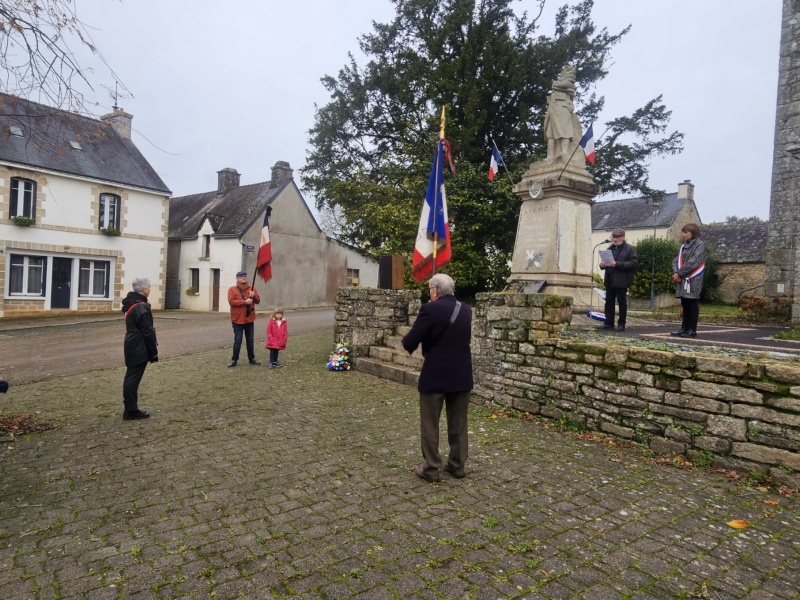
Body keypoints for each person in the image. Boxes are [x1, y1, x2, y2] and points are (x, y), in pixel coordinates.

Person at [402, 273, 473, 483]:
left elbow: (409, 342)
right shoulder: (466, 310)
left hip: (436, 374)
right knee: (458, 422)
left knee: (430, 423)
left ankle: (432, 469)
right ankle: (457, 465)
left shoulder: (430, 309)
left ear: (435, 290)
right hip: (461, 374)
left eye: (430, 289)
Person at [121, 278, 158, 420]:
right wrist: (153, 351)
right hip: (138, 345)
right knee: (133, 377)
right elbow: (147, 332)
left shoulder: (131, 304)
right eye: (149, 287)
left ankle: (130, 407)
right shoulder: (141, 307)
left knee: (131, 376)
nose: (150, 289)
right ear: (144, 290)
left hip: (132, 342)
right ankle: (131, 410)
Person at [598, 228, 639, 332]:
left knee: (621, 302)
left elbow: (634, 263)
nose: (615, 239)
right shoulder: (609, 248)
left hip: (622, 280)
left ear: (623, 237)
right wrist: (602, 265)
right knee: (609, 302)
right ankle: (608, 323)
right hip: (610, 279)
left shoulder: (630, 249)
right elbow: (606, 263)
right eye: (614, 237)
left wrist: (618, 264)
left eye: (617, 237)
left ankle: (621, 324)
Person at [671, 223, 707, 337]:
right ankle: (684, 328)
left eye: (687, 233)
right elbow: (676, 260)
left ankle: (692, 329)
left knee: (692, 304)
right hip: (682, 278)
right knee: (685, 304)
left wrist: (680, 273)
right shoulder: (683, 246)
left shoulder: (700, 245)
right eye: (684, 232)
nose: (684, 235)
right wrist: (676, 272)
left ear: (694, 233)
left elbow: (694, 262)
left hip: (693, 279)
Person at [227, 270, 261, 367]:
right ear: (237, 278)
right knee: (238, 340)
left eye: (245, 276)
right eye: (241, 276)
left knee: (250, 340)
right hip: (237, 319)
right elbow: (232, 302)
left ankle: (251, 358)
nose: (244, 278)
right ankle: (234, 360)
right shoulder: (232, 290)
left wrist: (254, 296)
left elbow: (258, 301)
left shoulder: (252, 289)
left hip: (249, 318)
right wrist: (245, 302)